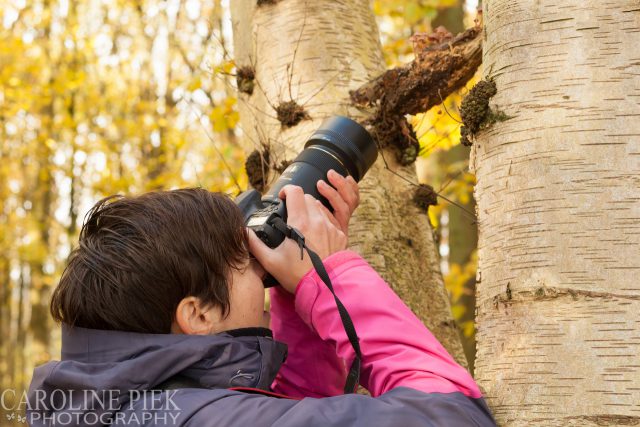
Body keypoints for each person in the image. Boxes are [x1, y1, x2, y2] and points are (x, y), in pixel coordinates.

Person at [26, 170, 496, 426]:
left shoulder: (98, 405)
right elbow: (452, 414)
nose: (261, 267)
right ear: (198, 313)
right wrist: (331, 277)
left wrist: (299, 297)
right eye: (246, 261)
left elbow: (290, 412)